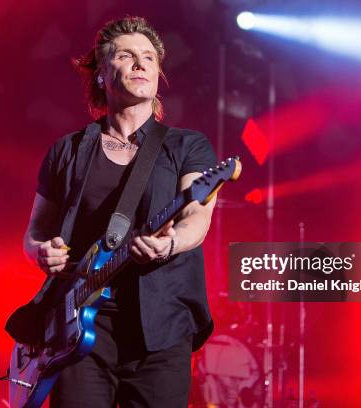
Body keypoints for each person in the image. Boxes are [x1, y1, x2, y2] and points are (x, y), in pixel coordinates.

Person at [22, 16, 217, 407]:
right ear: (100, 74)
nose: (140, 64)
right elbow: (34, 234)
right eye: (126, 56)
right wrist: (42, 251)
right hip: (81, 330)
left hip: (160, 329)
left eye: (148, 57)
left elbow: (196, 216)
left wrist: (171, 243)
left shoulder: (187, 147)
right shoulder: (69, 149)